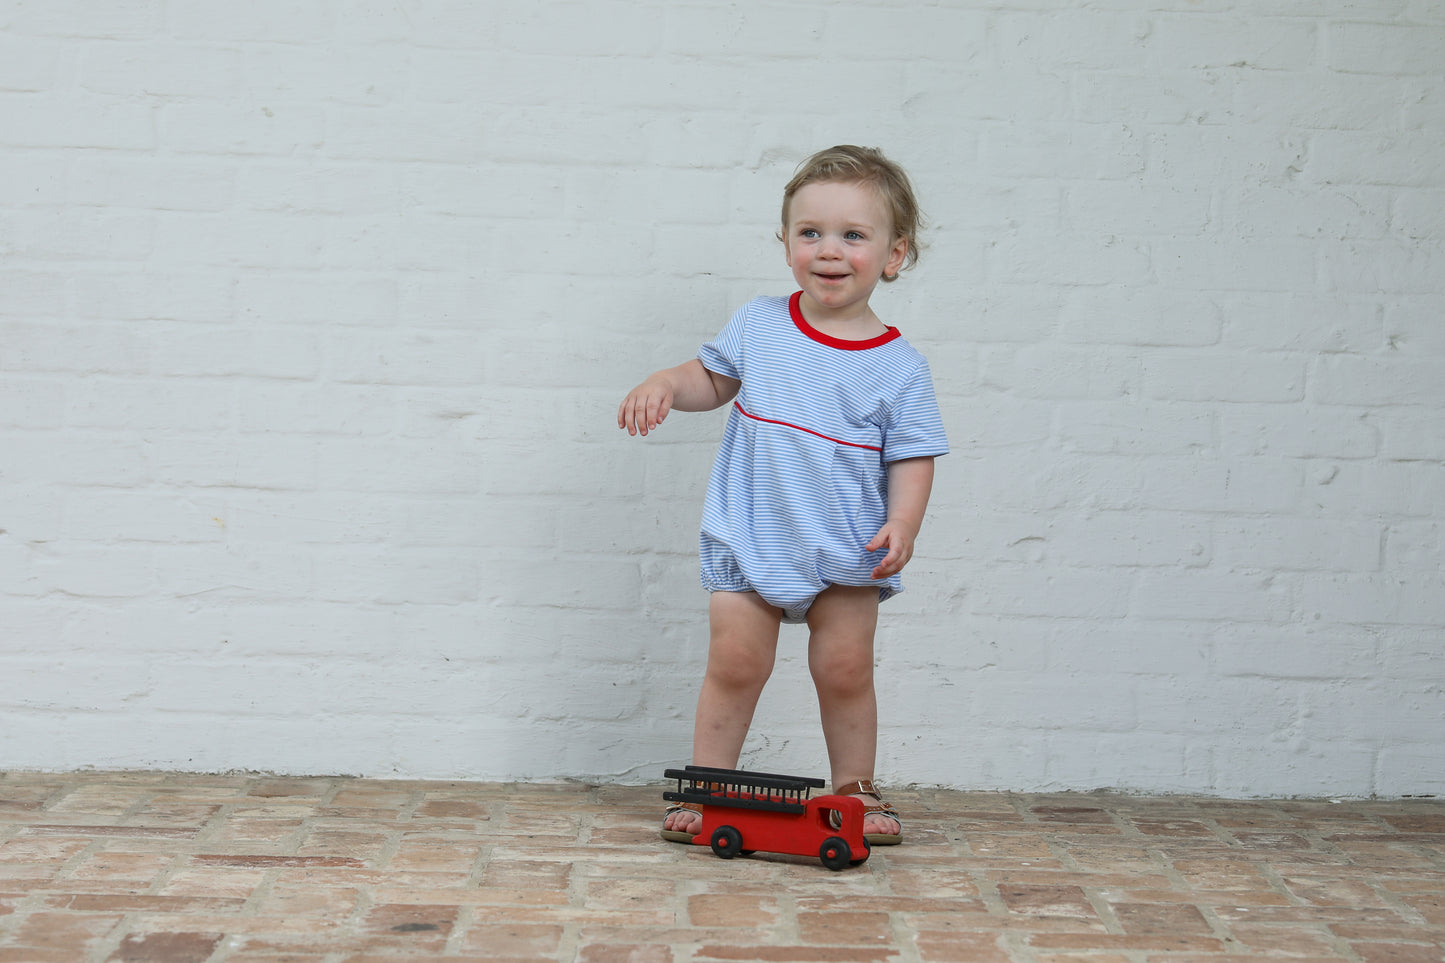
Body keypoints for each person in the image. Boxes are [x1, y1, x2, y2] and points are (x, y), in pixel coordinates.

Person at [617, 145, 948, 846]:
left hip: (845, 546)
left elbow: (913, 456)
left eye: (853, 235)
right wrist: (665, 384)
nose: (829, 250)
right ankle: (710, 786)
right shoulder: (760, 325)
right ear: (787, 242)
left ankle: (854, 787)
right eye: (810, 232)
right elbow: (712, 381)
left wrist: (903, 523)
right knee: (735, 662)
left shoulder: (898, 365)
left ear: (893, 254)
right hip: (752, 537)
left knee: (845, 666)